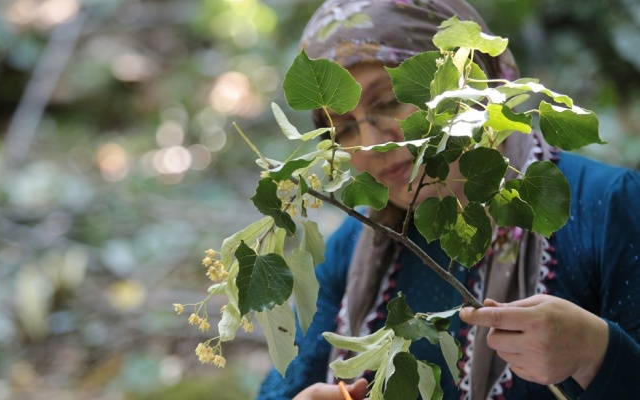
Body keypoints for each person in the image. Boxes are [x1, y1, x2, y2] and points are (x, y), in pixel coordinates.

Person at [256, 0, 640, 399]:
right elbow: (285, 384)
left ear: (466, 79)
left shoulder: (607, 207)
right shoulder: (354, 247)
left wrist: (596, 355)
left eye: (387, 102)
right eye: (344, 128)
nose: (372, 144)